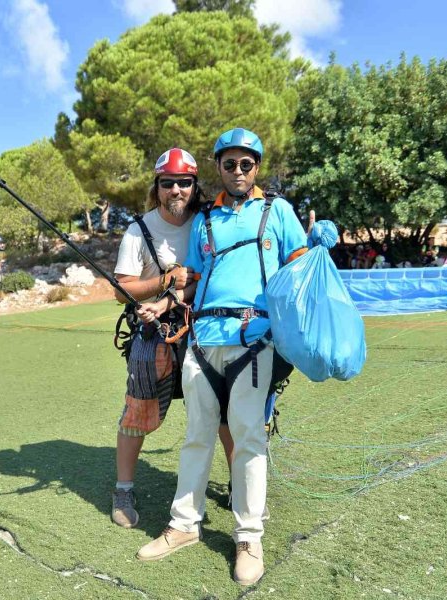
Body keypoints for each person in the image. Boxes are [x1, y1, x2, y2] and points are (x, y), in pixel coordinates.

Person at [135, 128, 309, 586]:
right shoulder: (206, 221)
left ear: (257, 166)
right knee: (196, 437)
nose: (237, 171)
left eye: (246, 163)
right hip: (201, 340)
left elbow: (300, 270)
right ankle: (183, 526)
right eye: (229, 164)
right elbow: (194, 280)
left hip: (254, 341)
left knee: (249, 440)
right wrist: (165, 302)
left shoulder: (278, 211)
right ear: (219, 168)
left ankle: (249, 537)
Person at [110, 148, 234, 529]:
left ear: (194, 185)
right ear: (157, 187)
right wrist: (167, 280)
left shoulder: (208, 222)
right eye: (168, 183)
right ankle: (123, 489)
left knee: (225, 411)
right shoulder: (138, 229)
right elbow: (122, 290)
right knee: (138, 412)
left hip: (205, 330)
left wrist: (176, 295)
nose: (176, 190)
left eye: (184, 182)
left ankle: (238, 484)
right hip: (153, 335)